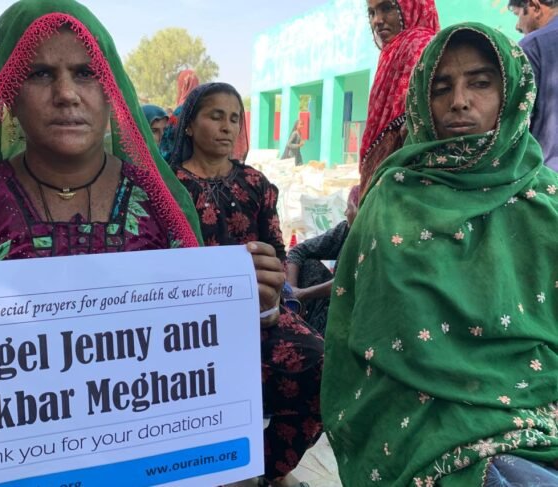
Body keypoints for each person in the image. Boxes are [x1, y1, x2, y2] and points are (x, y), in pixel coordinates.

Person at [0, 2, 288, 480]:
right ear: (7, 92)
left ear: (111, 91)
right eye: (41, 74)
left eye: (86, 73)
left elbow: (194, 350)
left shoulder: (160, 204)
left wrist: (251, 304)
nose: (67, 94)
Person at [321, 23, 558, 486]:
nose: (460, 101)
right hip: (415, 410)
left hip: (536, 403)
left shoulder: (544, 201)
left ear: (513, 93)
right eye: (442, 87)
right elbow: (370, 333)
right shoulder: (394, 196)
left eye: (481, 82)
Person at [170, 82, 323, 486]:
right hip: (186, 326)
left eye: (234, 118)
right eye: (214, 115)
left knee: (325, 366)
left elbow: (275, 252)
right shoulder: (167, 187)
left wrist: (270, 304)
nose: (226, 127)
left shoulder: (256, 184)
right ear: (188, 125)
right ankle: (208, 468)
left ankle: (261, 469)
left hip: (258, 316)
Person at [359, 0, 439, 192]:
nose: (377, 20)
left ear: (413, 7)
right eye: (371, 13)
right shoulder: (392, 52)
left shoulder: (419, 45)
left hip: (406, 182)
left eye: (387, 8)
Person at [286, 186, 358, 335]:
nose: (345, 213)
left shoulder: (374, 242)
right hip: (331, 303)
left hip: (354, 313)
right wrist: (292, 291)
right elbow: (299, 250)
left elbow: (347, 282)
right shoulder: (345, 231)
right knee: (308, 264)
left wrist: (303, 293)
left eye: (349, 207)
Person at [508, 0, 558, 171]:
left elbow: (516, 119)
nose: (517, 26)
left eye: (518, 14)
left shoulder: (532, 46)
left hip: (550, 174)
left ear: (534, 6)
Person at [159, 69, 201, 161]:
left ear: (182, 85)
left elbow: (168, 141)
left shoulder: (181, 110)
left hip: (181, 164)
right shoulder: (204, 108)